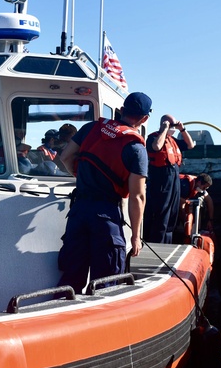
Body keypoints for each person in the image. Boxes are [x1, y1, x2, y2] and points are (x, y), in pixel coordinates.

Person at [56, 92, 152, 295]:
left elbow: (65, 156)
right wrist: (136, 236)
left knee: (71, 276)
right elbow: (137, 196)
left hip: (79, 210)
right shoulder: (135, 148)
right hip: (106, 215)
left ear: (122, 110)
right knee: (106, 282)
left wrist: (79, 175)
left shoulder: (91, 128)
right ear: (144, 119)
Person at [145, 114, 194, 243]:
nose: (172, 128)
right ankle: (157, 243)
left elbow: (190, 146)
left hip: (174, 177)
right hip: (161, 178)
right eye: (171, 125)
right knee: (162, 213)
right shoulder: (153, 138)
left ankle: (167, 241)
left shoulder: (173, 141)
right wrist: (164, 129)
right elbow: (156, 147)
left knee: (173, 212)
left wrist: (182, 129)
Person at [176, 173, 215, 241]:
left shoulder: (199, 187)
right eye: (204, 188)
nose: (204, 190)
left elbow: (209, 200)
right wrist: (186, 223)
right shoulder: (185, 186)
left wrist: (210, 220)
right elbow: (179, 202)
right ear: (199, 183)